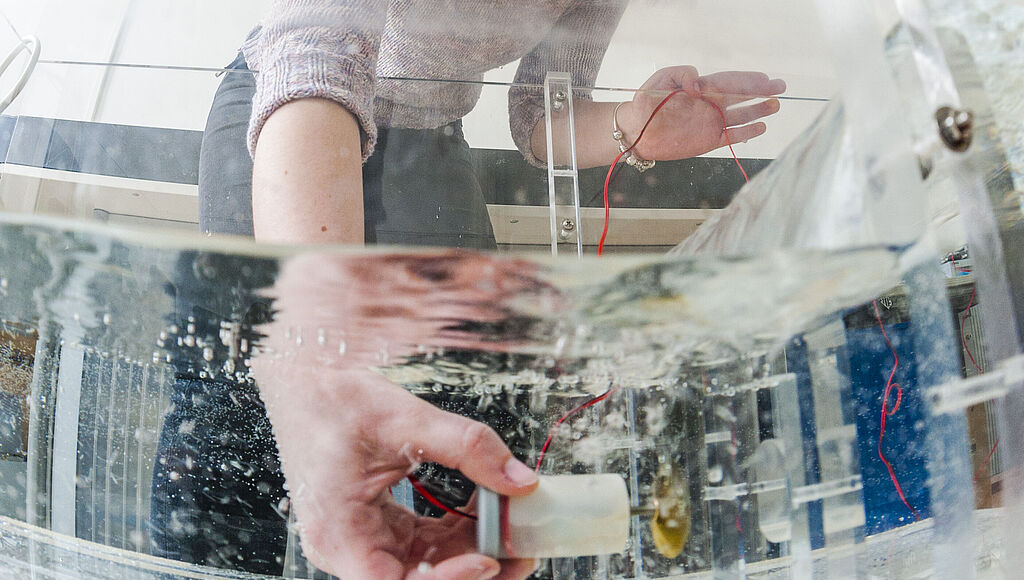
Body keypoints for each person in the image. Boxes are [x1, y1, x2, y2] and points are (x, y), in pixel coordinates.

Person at [154, 2, 786, 579]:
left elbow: (540, 116)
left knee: (480, 396)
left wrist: (630, 125)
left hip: (428, 131)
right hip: (291, 98)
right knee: (243, 396)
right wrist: (316, 369)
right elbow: (314, 49)